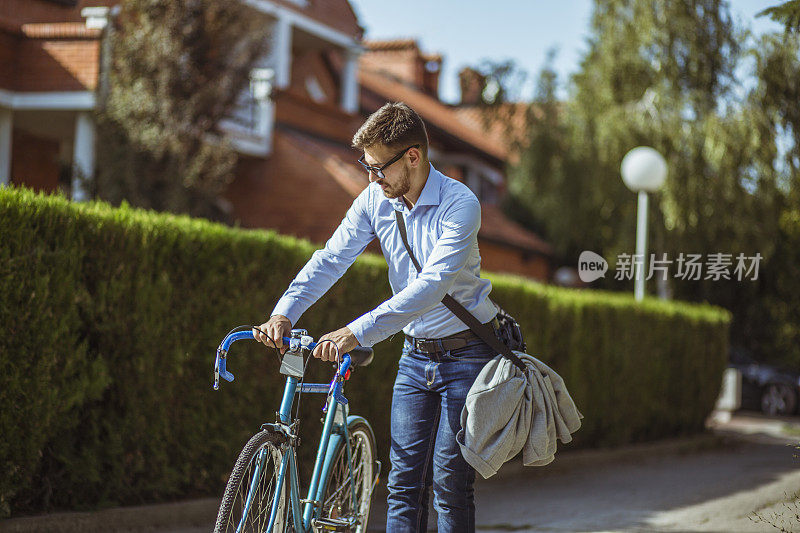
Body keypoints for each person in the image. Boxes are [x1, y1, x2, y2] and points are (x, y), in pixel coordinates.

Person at [254, 101, 500, 533]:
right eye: (365, 167)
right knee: (402, 484)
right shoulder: (375, 199)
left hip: (467, 357)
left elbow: (431, 287)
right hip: (414, 357)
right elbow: (331, 259)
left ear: (413, 156)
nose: (371, 178)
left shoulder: (460, 205)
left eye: (378, 167)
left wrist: (356, 331)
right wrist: (283, 313)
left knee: (449, 484)